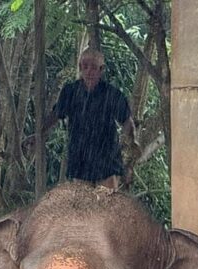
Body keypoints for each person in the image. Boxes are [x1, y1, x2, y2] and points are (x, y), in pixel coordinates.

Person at [32, 48, 141, 189]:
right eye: (85, 66)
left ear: (101, 70)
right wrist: (39, 134)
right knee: (83, 206)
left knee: (108, 205)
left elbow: (127, 121)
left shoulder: (113, 94)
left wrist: (131, 142)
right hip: (80, 159)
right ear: (80, 67)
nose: (89, 71)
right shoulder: (70, 91)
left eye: (94, 67)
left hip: (106, 160)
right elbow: (56, 115)